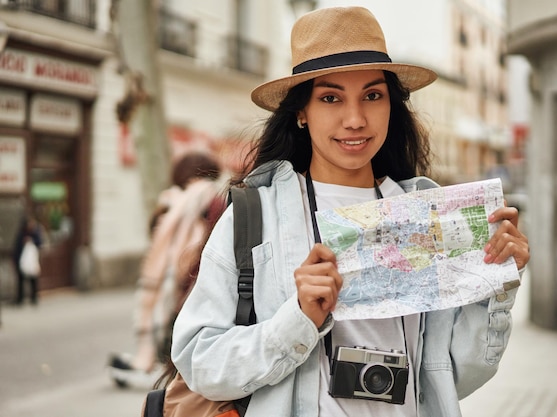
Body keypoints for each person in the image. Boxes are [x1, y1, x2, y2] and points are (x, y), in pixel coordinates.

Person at [171, 7, 530, 417]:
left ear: (391, 106)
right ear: (301, 112)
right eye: (330, 98)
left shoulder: (424, 216)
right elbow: (199, 362)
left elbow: (448, 375)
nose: (355, 119)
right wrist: (299, 319)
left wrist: (496, 282)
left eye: (372, 96)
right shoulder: (256, 215)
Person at [109, 151, 227, 387]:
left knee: (181, 346)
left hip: (184, 281)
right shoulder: (207, 200)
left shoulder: (182, 202)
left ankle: (167, 383)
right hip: (194, 280)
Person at [12, 215, 44, 306]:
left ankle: (34, 297)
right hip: (22, 260)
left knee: (33, 280)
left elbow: (40, 243)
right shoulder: (21, 234)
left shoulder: (35, 233)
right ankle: (20, 298)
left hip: (32, 260)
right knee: (20, 280)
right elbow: (17, 247)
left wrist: (32, 241)